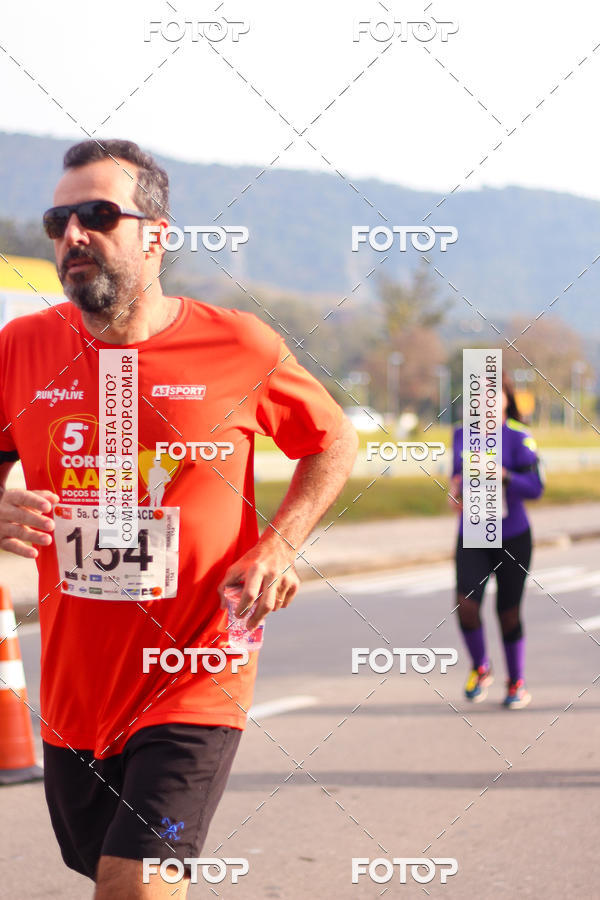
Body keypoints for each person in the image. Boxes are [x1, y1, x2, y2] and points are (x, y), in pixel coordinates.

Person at [0, 139, 358, 898]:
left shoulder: (237, 344)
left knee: (134, 879)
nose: (73, 235)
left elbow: (331, 441)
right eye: (57, 220)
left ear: (156, 235)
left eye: (98, 215)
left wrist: (278, 547)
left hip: (197, 675)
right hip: (75, 692)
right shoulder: (21, 350)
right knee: (102, 868)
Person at [449, 372, 544, 709]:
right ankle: (480, 667)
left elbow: (536, 488)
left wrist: (504, 476)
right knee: (466, 605)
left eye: (494, 395)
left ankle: (516, 681)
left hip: (513, 535)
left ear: (506, 398)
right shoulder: (461, 435)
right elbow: (455, 477)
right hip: (473, 532)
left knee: (508, 613)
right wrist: (455, 490)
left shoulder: (519, 438)